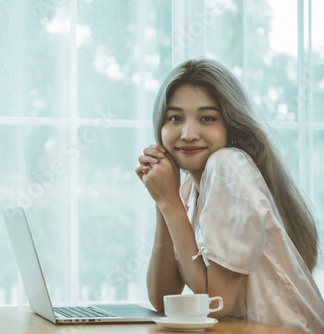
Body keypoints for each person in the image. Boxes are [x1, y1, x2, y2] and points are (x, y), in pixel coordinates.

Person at [135, 58, 324, 333]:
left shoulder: (228, 165)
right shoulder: (189, 189)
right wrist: (164, 199)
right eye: (175, 118)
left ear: (231, 126)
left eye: (207, 118)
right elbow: (163, 299)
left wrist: (169, 202)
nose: (188, 134)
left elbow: (214, 302)